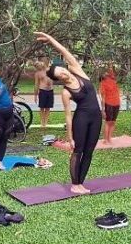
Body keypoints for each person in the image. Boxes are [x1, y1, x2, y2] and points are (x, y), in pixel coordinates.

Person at [35, 31, 100, 195]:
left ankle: (81, 183)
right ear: (60, 80)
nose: (64, 74)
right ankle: (74, 184)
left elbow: (64, 51)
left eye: (62, 71)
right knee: (78, 150)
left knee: (89, 151)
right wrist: (70, 137)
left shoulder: (78, 71)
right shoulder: (66, 92)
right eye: (60, 76)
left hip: (96, 117)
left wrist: (50, 39)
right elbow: (68, 116)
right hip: (81, 119)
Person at [99, 65, 122, 144]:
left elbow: (111, 69)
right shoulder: (103, 83)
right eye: (105, 73)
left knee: (113, 122)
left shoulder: (113, 79)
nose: (107, 73)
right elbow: (102, 98)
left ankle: (109, 138)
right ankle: (106, 139)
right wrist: (103, 110)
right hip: (109, 104)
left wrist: (110, 63)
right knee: (108, 122)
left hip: (117, 103)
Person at [34, 58, 55, 128]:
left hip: (50, 91)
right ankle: (42, 122)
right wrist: (35, 96)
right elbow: (36, 84)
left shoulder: (50, 70)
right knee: (42, 107)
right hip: (42, 91)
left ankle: (45, 123)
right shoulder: (38, 73)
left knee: (48, 108)